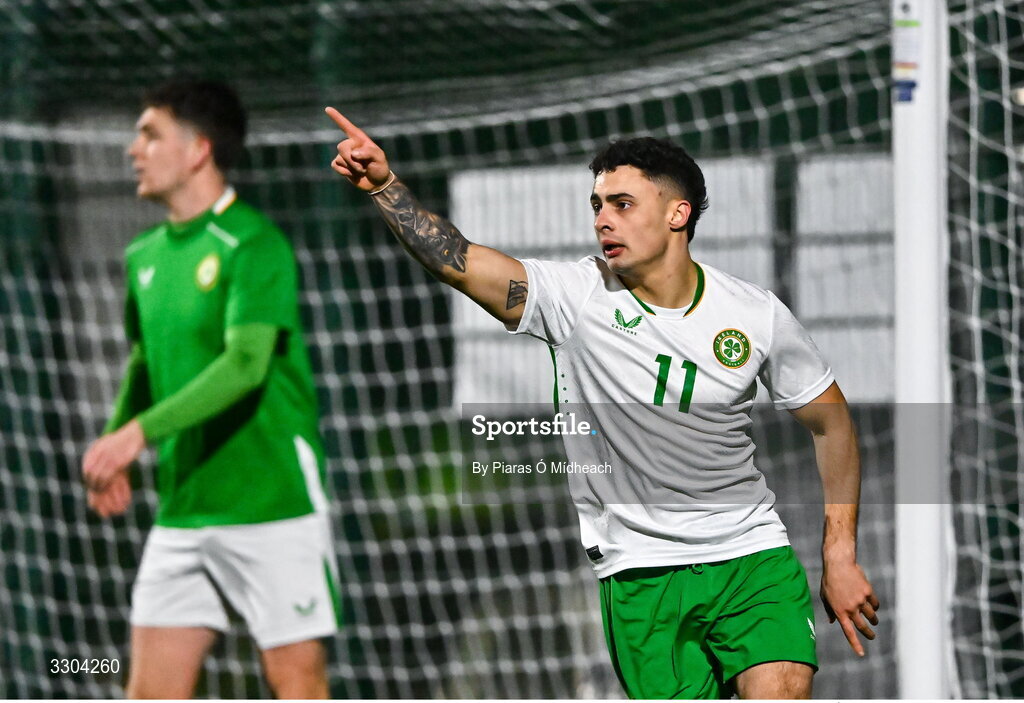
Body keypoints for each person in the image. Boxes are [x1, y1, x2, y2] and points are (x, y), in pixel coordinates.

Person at [323, 107, 880, 699]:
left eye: (622, 204)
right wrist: (385, 187)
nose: (602, 221)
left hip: (751, 557)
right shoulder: (573, 297)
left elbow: (833, 426)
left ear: (677, 213)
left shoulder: (755, 314)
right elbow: (456, 260)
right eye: (597, 205)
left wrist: (839, 555)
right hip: (638, 572)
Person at [81, 79, 338, 699]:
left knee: (295, 682)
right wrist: (120, 443)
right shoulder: (143, 254)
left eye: (149, 133)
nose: (132, 149)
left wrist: (137, 434)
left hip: (270, 503)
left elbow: (246, 364)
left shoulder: (253, 243)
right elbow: (145, 363)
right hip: (183, 508)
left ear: (198, 149)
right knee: (148, 692)